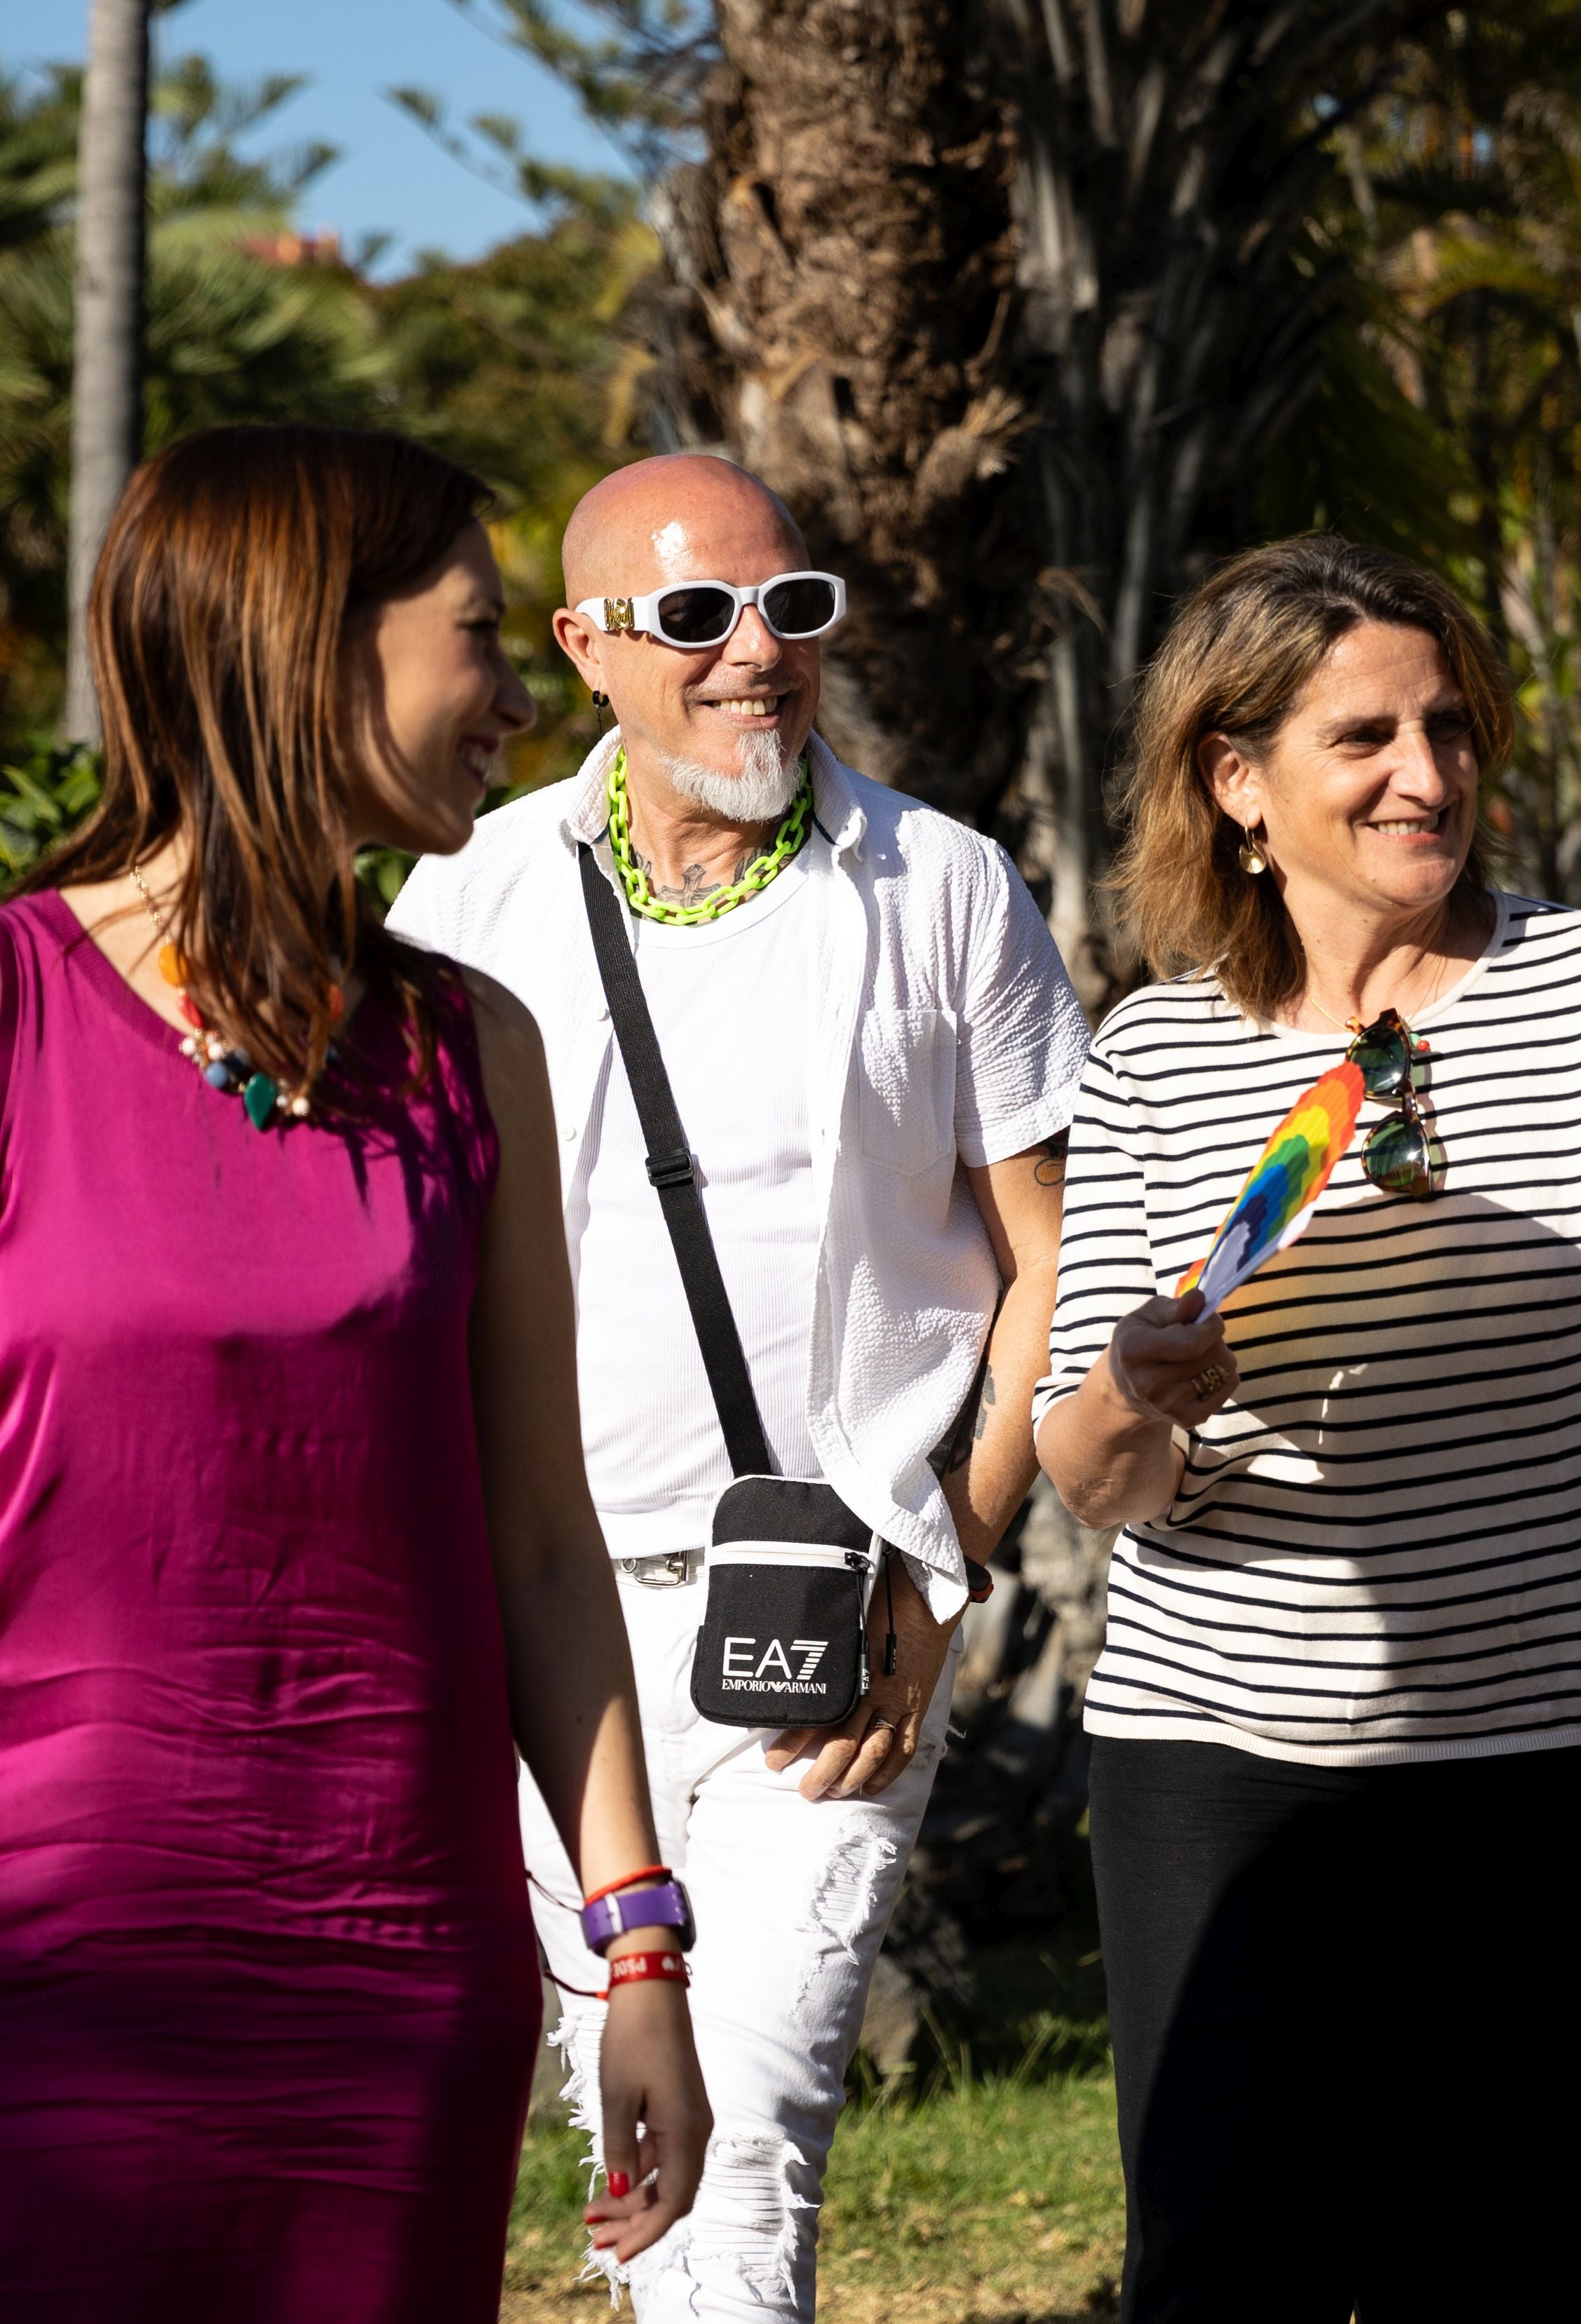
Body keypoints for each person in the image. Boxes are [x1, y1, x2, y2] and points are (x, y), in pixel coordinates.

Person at [0, 425, 709, 2313]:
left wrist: (637, 1949)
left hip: (400, 1967)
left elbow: (544, 1545)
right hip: (52, 1973)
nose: (515, 692)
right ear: (314, 647)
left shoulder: (477, 1049)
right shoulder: (12, 1011)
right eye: (479, 631)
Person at [1035, 532, 1581, 2320]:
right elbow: (1093, 1478)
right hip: (1217, 1768)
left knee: (1503, 2278)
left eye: (1447, 725)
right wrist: (1142, 1388)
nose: (1426, 773)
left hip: (1556, 1761)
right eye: (1362, 736)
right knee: (1219, 2278)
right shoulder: (1149, 1057)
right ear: (1236, 781)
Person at [385, 453, 1087, 2320]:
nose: (755, 654)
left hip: (835, 1624)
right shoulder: (471, 898)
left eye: (793, 606)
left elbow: (1053, 1263)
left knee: (750, 2137)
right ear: (587, 646)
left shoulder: (938, 886)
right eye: (695, 618)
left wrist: (943, 1582)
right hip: (559, 1625)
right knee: (639, 2127)